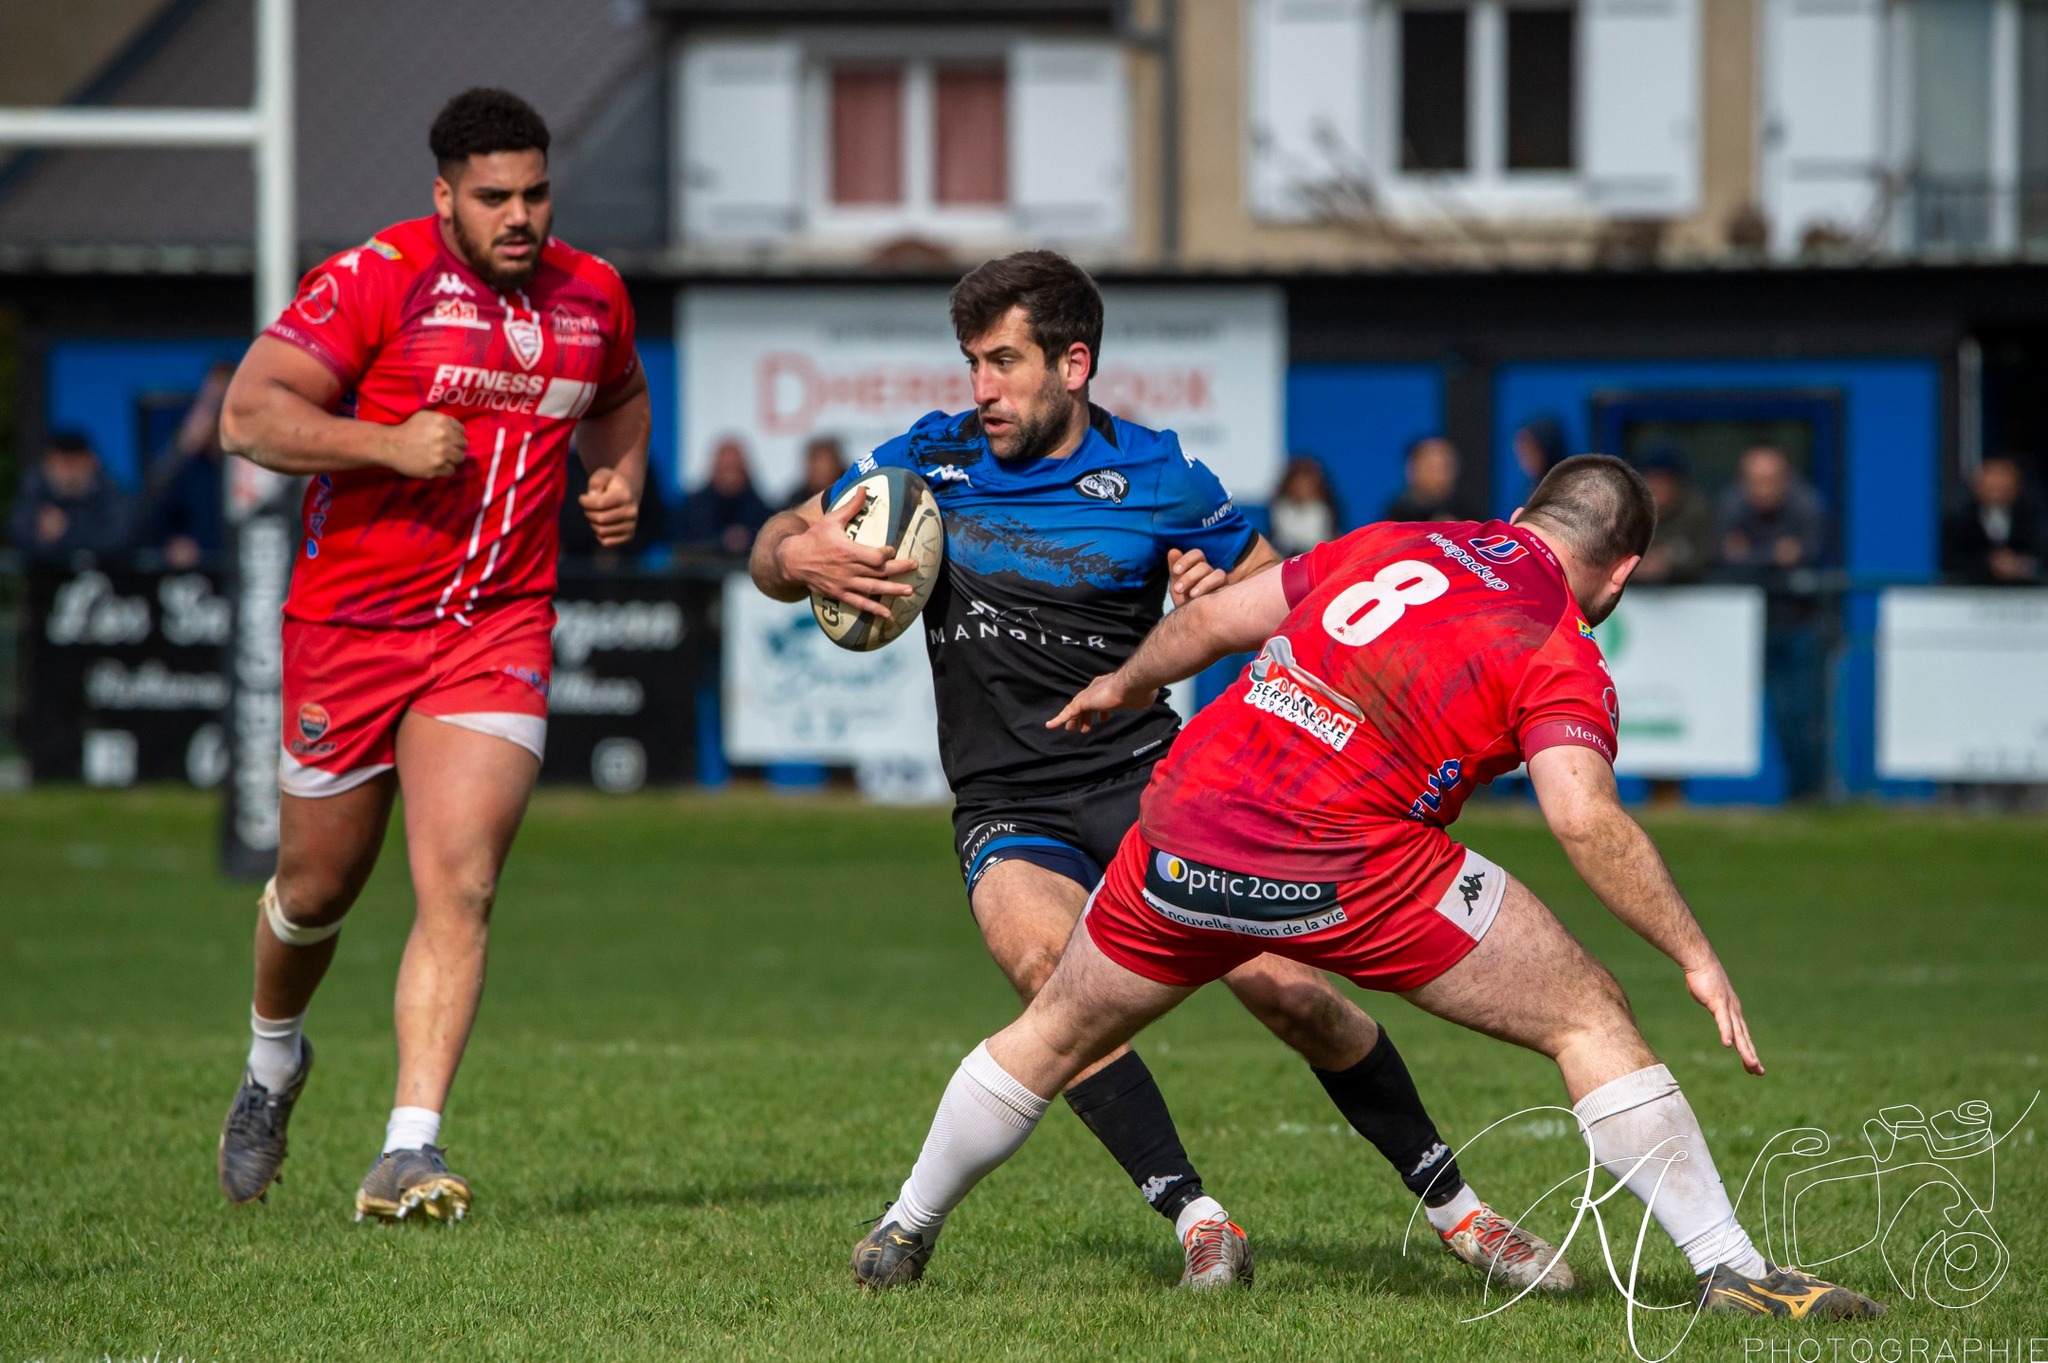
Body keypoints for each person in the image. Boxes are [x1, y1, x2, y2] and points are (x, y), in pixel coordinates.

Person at [850, 457, 1886, 1321]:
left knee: (1055, 1030)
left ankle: (901, 1227)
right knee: (1587, 1015)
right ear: (1618, 575)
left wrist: (1122, 681)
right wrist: (1696, 956)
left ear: (1520, 515)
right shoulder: (1556, 646)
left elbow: (1213, 625)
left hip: (1182, 829)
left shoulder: (1395, 541)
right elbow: (1582, 816)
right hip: (1344, 867)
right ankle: (1731, 1269)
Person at [755, 251, 1561, 1293]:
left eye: (1002, 363)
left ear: (1072, 362)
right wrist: (798, 557)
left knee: (1288, 991)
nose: (979, 389)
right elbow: (779, 539)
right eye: (970, 363)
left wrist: (1216, 584)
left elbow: (1289, 595)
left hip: (1157, 783)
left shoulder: (1160, 478)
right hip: (1007, 801)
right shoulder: (928, 460)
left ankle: (1460, 1213)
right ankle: (1195, 1216)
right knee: (1045, 973)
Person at [212, 88, 649, 1223]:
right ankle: (272, 1062)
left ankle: (409, 1145)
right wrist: (382, 442)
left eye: (536, 192)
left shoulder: (593, 293)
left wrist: (620, 475)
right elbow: (250, 417)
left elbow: (621, 394)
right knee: (315, 890)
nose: (521, 216)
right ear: (443, 195)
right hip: (348, 630)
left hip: (496, 626)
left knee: (460, 880)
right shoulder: (376, 277)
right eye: (494, 197)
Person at [1715, 446, 1828, 800]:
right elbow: (1726, 558)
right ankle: (1796, 793)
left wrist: (1750, 555)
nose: (1762, 488)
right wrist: (1774, 556)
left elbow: (1806, 554)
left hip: (1802, 624)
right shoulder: (1732, 505)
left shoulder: (1808, 505)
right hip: (1753, 625)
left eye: (1770, 480)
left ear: (1785, 480)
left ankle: (1809, 793)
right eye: (1755, 481)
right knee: (1777, 715)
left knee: (1805, 713)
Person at [140, 362, 234, 570]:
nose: (216, 414)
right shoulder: (188, 464)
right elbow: (144, 519)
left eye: (224, 400)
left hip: (253, 578)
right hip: (199, 583)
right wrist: (182, 449)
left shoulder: (257, 466)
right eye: (211, 403)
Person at [9, 430, 129, 566]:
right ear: (49, 463)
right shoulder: (35, 487)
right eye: (63, 464)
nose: (70, 474)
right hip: (45, 575)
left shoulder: (106, 488)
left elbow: (118, 538)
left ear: (90, 461)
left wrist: (67, 531)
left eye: (75, 464)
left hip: (100, 573)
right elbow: (19, 535)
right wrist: (42, 537)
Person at [1941, 455, 2043, 585]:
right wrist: (1989, 564)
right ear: (1976, 484)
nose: (1998, 486)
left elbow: (2040, 552)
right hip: (1970, 593)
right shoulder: (1957, 519)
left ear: (2017, 485)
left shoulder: (2033, 518)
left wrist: (2021, 564)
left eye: (2004, 482)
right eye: (1992, 483)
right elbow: (1950, 558)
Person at [1633, 448, 1714, 585]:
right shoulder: (1627, 512)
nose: (1659, 487)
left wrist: (1670, 563)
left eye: (1665, 481)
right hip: (1630, 596)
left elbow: (1706, 556)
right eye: (1654, 479)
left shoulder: (1696, 511)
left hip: (1688, 594)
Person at [677, 437, 771, 556]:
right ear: (713, 469)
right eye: (726, 469)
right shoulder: (691, 509)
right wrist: (720, 541)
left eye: (735, 469)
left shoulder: (763, 511)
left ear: (746, 470)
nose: (730, 477)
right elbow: (681, 546)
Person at [1267, 455, 1341, 555]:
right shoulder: (1280, 512)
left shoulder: (1325, 513)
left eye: (1307, 485)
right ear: (1289, 485)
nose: (1302, 490)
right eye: (1298, 484)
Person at [1382, 437, 1462, 524]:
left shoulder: (1469, 515)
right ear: (1412, 469)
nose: (1441, 476)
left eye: (1446, 467)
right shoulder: (1396, 518)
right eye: (1432, 468)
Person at [784, 434, 849, 512]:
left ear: (838, 463)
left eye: (826, 462)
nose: (821, 470)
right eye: (816, 463)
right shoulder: (795, 501)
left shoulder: (852, 492)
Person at [1513, 415, 1568, 489]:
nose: (1524, 463)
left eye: (1531, 452)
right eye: (1521, 455)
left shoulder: (1568, 488)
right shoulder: (1531, 490)